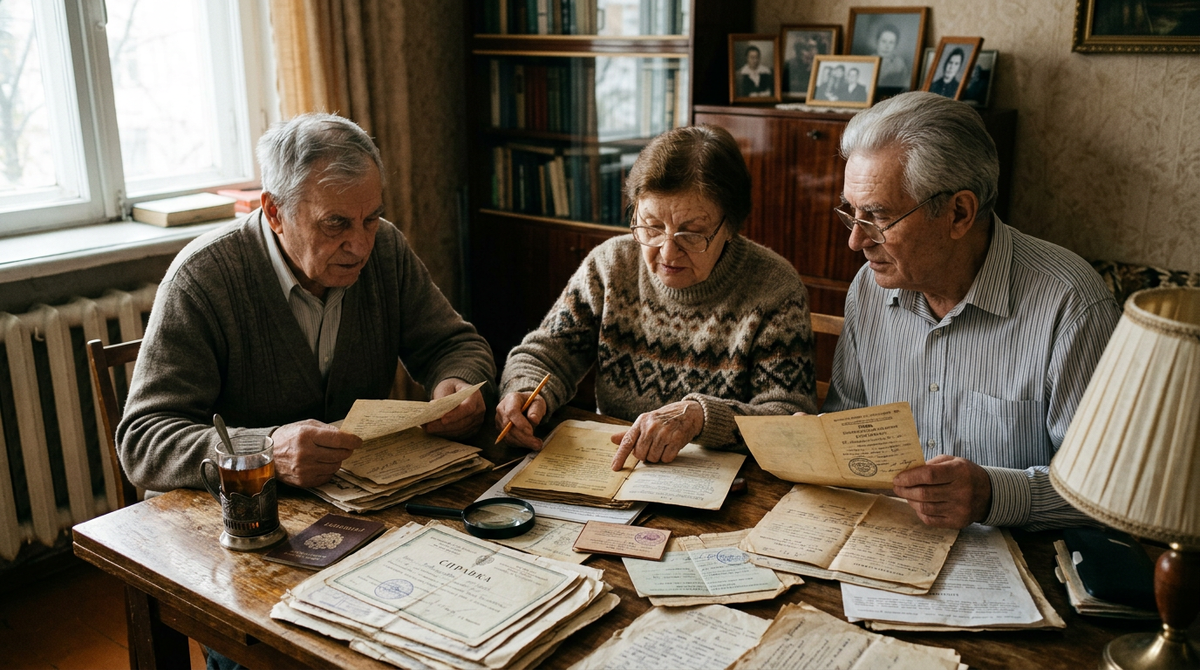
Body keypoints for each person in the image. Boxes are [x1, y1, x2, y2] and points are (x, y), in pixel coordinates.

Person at [118, 113, 496, 493]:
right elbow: (143, 441)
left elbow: (455, 345)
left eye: (371, 218)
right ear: (274, 212)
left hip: (359, 499)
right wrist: (264, 451)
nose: (361, 245)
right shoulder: (202, 278)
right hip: (232, 515)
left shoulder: (386, 249)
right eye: (336, 223)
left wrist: (458, 384)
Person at [824, 92, 1120, 531]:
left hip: (1019, 561)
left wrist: (993, 496)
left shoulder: (1070, 304)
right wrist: (818, 446)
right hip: (887, 542)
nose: (856, 240)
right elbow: (846, 420)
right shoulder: (869, 288)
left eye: (879, 217)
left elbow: (1106, 491)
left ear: (959, 213)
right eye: (852, 213)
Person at [496, 125, 816, 470]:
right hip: (617, 466)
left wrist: (700, 417)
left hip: (724, 483)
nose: (667, 252)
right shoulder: (611, 265)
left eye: (690, 234)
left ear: (730, 227)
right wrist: (525, 391)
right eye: (650, 226)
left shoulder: (774, 288)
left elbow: (789, 418)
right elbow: (546, 354)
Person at [873, 24, 910, 91]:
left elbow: (905, 86)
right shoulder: (869, 61)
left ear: (895, 45)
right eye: (884, 41)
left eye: (891, 42)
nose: (887, 46)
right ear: (877, 41)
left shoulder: (899, 64)